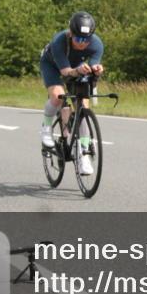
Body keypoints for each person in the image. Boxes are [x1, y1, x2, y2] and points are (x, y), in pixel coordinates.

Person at [39, 11, 105, 175]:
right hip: (53, 65)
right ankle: (46, 127)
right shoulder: (59, 41)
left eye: (86, 40)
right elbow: (66, 72)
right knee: (58, 96)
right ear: (70, 33)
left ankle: (84, 154)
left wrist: (96, 69)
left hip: (76, 68)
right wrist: (78, 70)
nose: (83, 43)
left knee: (83, 105)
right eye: (78, 39)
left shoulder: (97, 44)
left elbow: (93, 66)